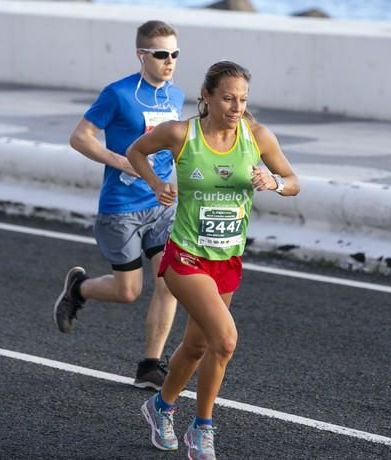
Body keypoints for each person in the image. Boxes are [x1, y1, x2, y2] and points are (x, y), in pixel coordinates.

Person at [128, 60, 299, 459]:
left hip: (228, 260)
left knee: (196, 346)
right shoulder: (180, 134)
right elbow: (136, 151)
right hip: (185, 257)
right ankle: (201, 428)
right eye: (227, 98)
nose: (236, 106)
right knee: (225, 339)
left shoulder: (256, 137)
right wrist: (156, 184)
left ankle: (160, 407)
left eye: (242, 99)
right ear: (206, 96)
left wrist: (273, 182)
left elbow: (294, 182)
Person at [53, 20, 185, 391]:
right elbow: (80, 138)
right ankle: (79, 289)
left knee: (169, 282)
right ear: (141, 55)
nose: (169, 61)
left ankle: (149, 365)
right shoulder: (118, 94)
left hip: (160, 204)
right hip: (122, 208)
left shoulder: (175, 96)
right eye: (161, 54)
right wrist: (122, 161)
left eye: (175, 54)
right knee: (129, 291)